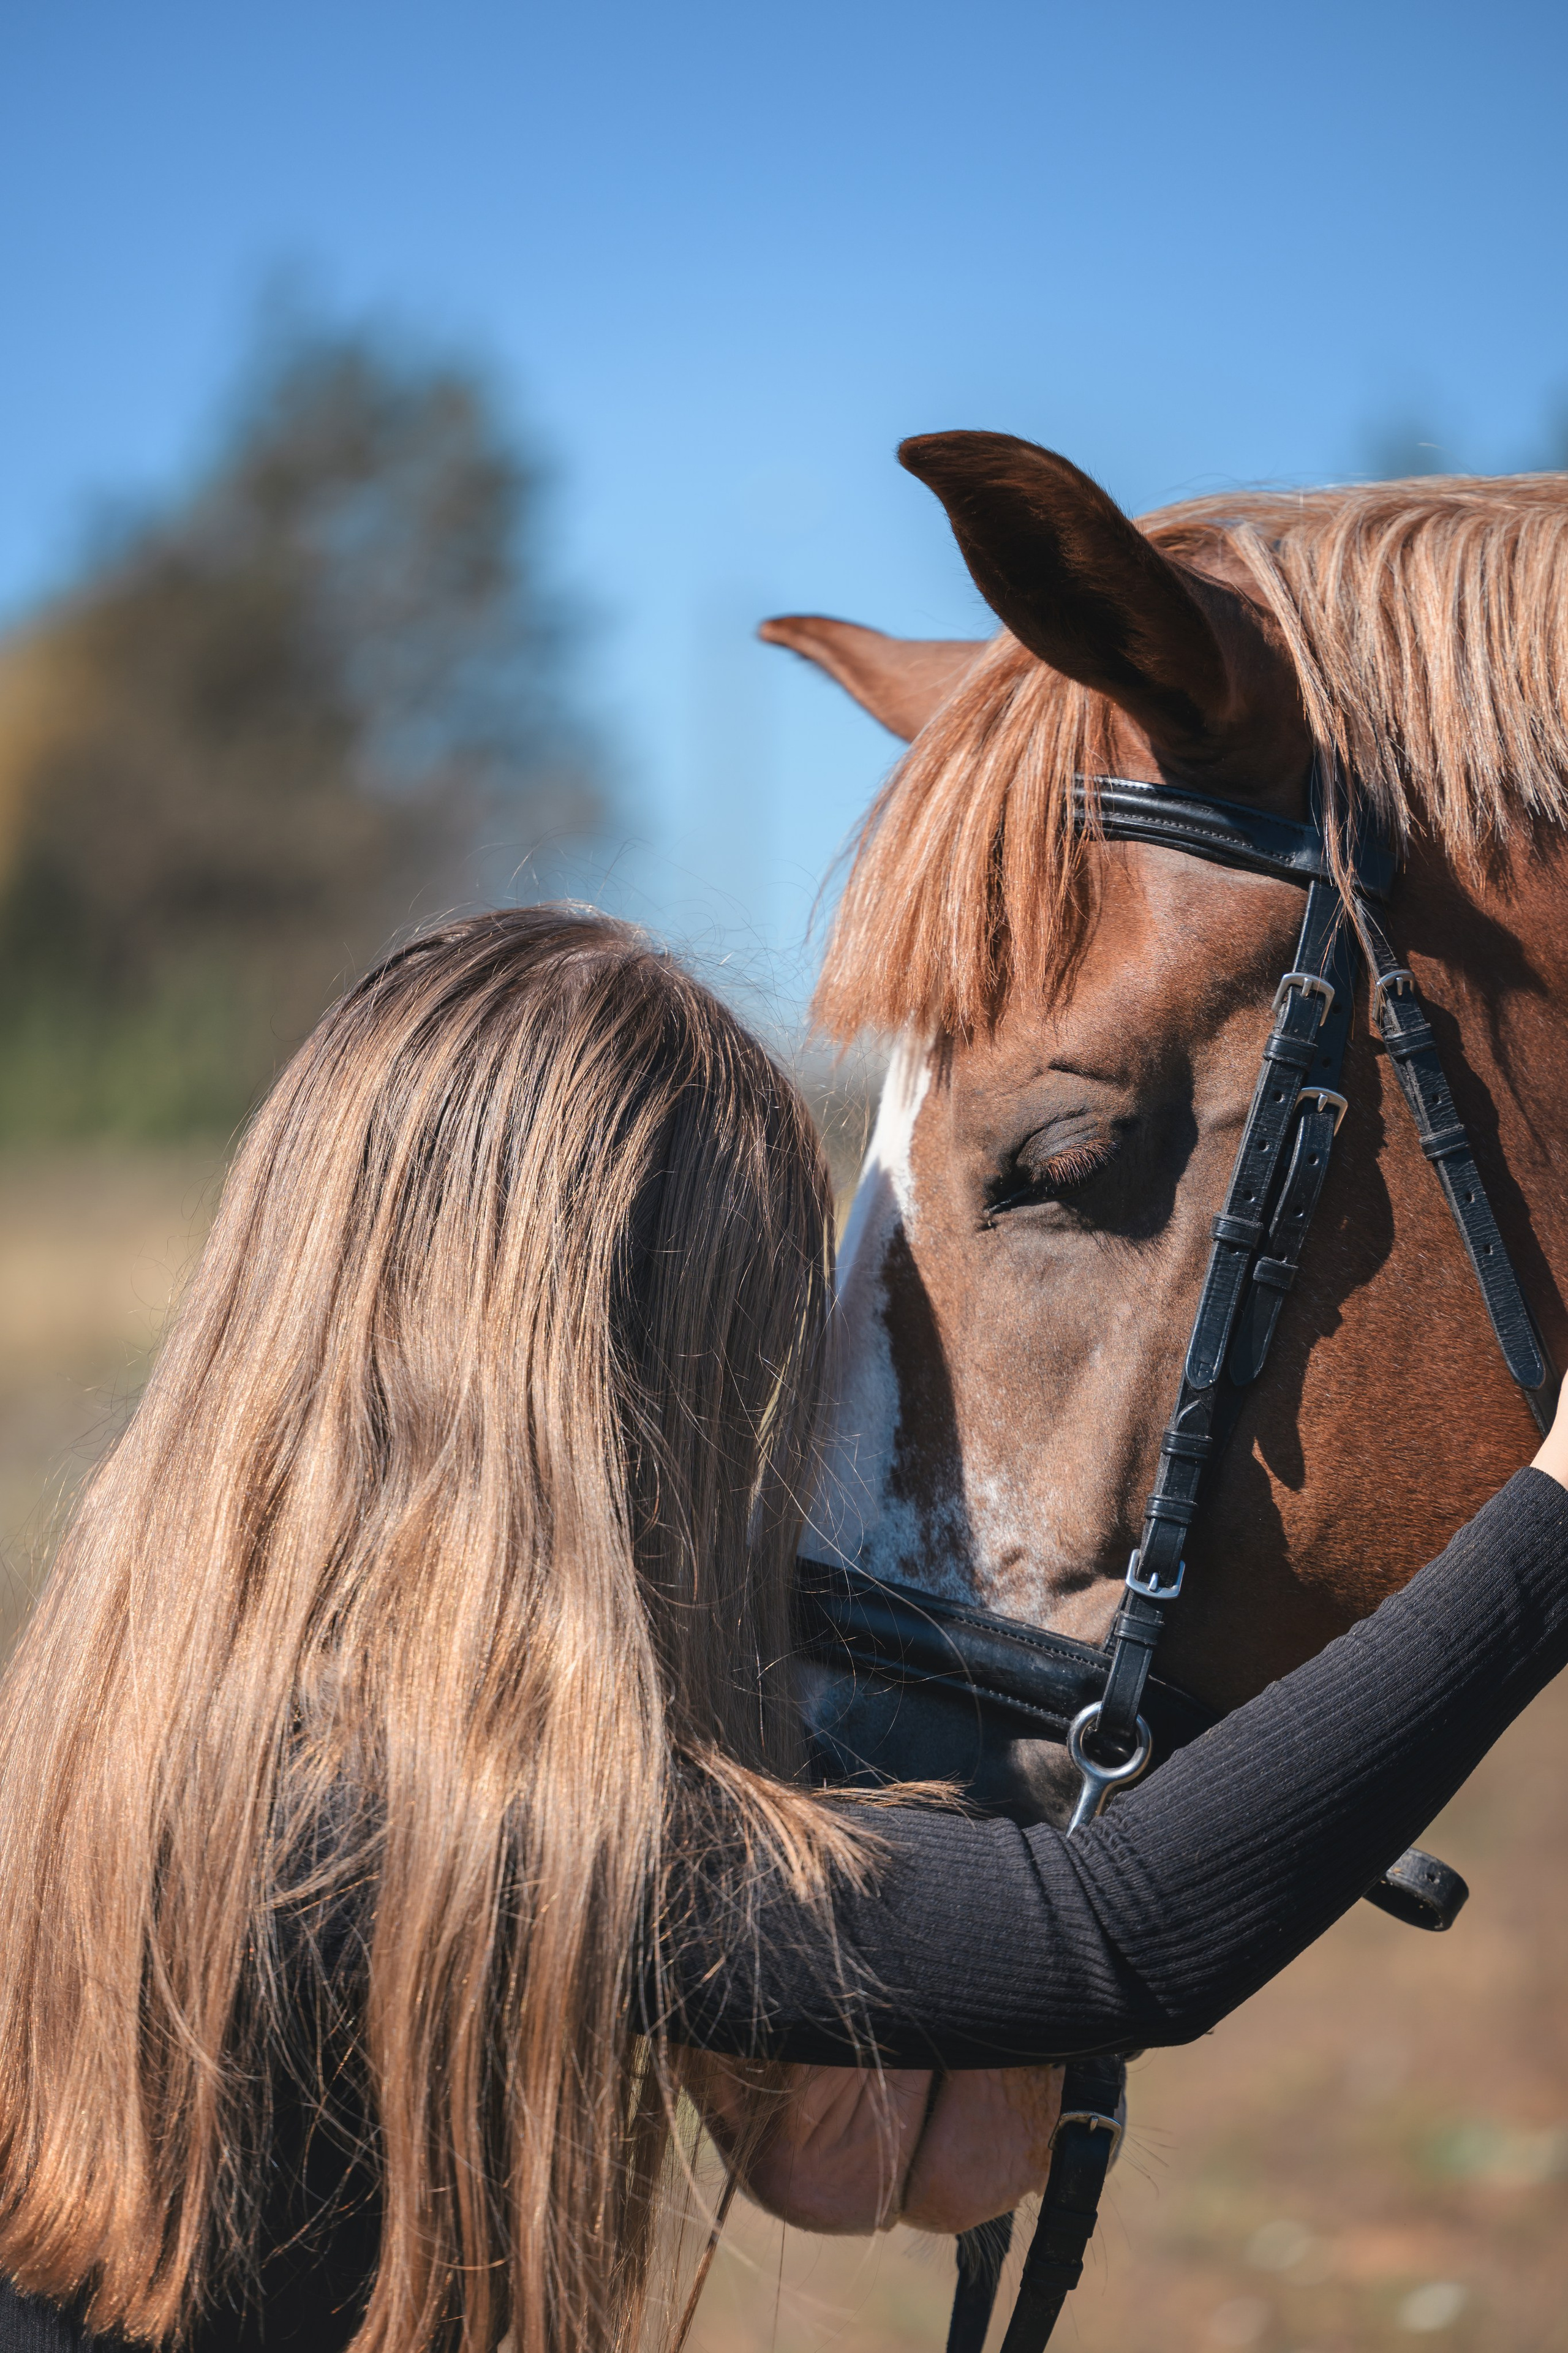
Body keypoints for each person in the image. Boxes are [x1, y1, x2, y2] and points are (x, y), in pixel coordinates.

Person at [0, 905, 1564, 2353]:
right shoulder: (448, 1814)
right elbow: (1116, 1935)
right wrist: (1545, 1525)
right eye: (745, 1362)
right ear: (615, 1384)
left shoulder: (124, 1722)